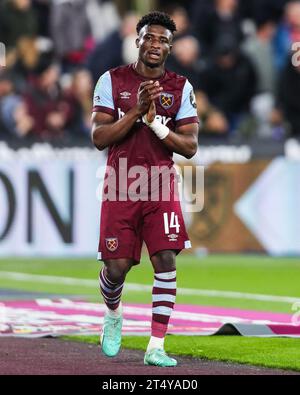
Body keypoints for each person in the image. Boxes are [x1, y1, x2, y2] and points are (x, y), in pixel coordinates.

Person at [91, 11, 199, 367]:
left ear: (170, 47)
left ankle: (155, 346)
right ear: (137, 41)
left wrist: (155, 126)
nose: (155, 45)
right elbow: (99, 137)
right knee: (116, 268)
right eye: (149, 38)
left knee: (166, 258)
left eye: (163, 40)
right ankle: (113, 312)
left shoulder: (181, 88)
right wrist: (136, 111)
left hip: (160, 183)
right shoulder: (111, 80)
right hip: (120, 184)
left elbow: (189, 146)